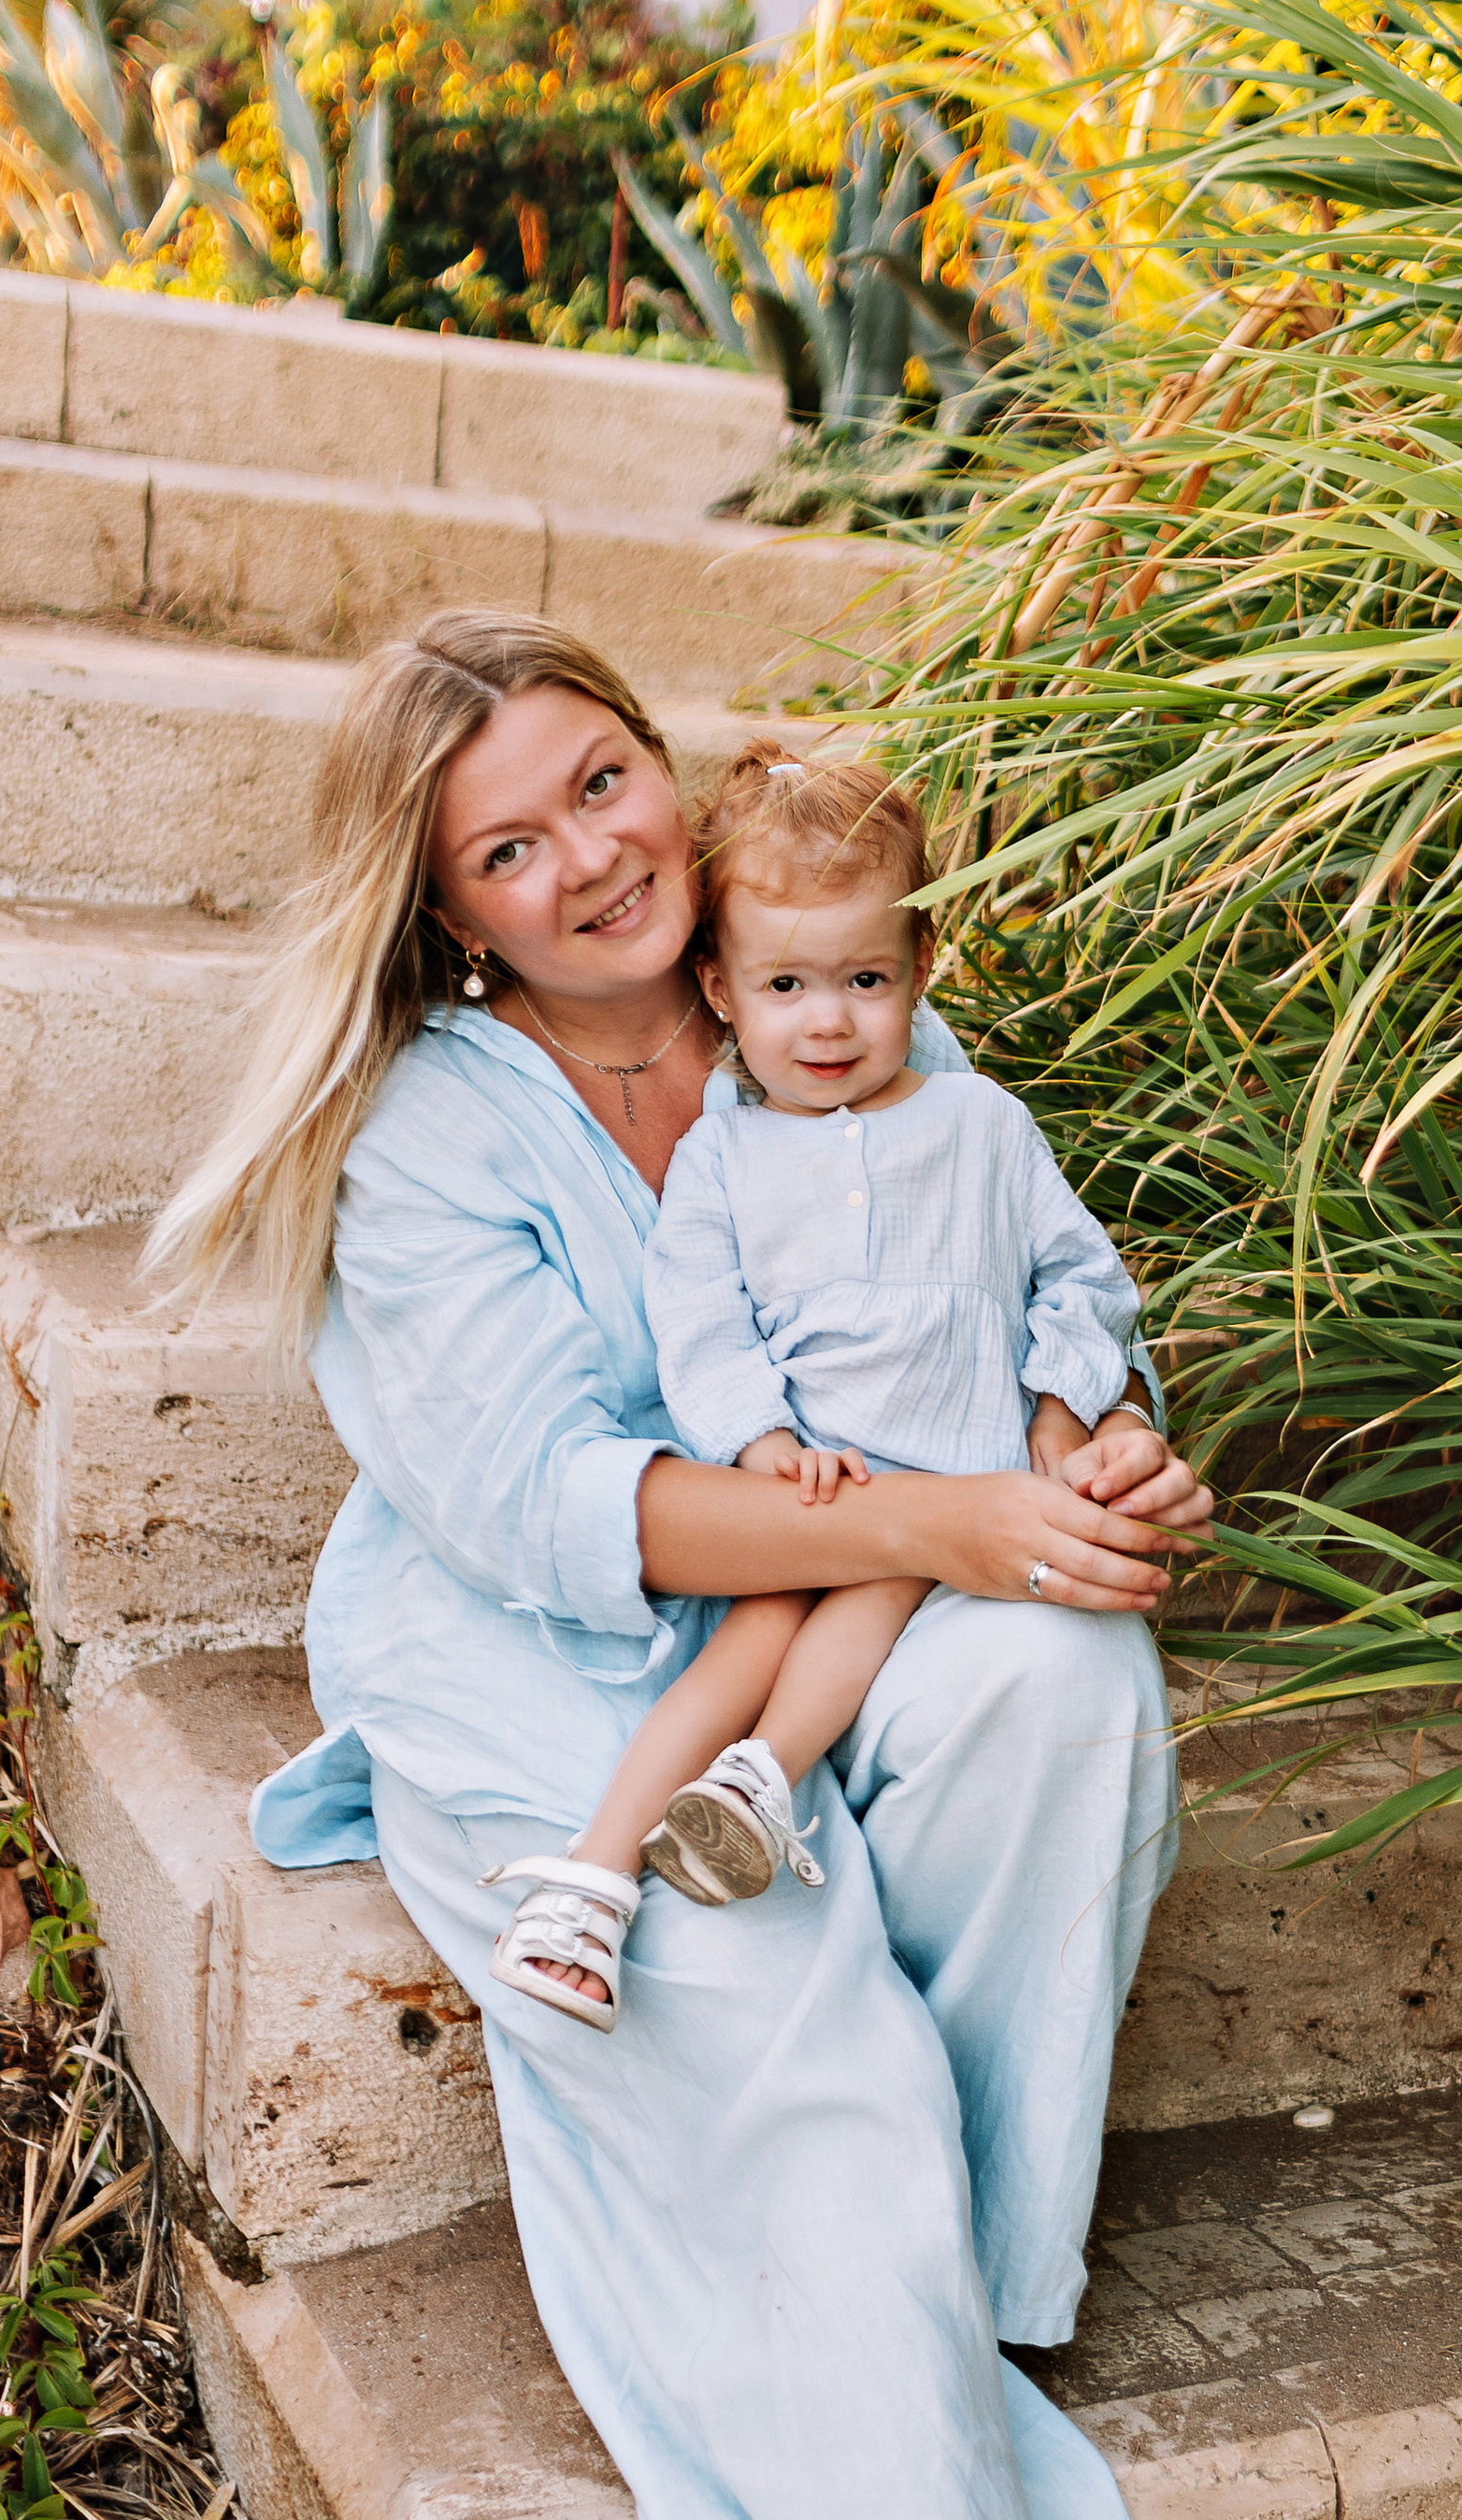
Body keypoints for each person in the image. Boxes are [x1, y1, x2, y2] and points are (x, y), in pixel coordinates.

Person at [150, 611, 1398, 2520]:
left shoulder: (816, 1003)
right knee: (772, 2044)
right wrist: (946, 1522)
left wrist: (1083, 1458)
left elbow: (1026, 1279)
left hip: (857, 1608)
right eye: (515, 840)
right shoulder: (433, 1142)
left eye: (606, 780)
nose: (591, 851)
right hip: (543, 1675)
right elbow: (557, 1512)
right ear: (454, 909)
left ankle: (937, 2316)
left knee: (1069, 1681)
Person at [483, 741, 1155, 2031]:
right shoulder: (722, 1155)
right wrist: (759, 1442)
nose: (829, 1020)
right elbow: (700, 1318)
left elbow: (1084, 1280)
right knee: (746, 1643)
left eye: (865, 979)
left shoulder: (981, 1126)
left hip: (957, 1469)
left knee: (853, 1598)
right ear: (722, 991)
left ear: (920, 973)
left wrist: (1066, 1410)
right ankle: (592, 1883)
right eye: (786, 984)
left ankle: (755, 1785)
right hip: (817, 1483)